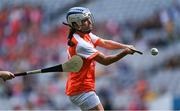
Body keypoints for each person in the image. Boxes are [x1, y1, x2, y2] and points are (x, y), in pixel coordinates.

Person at [64, 7, 137, 110]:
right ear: (75, 25)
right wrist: (124, 52)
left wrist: (124, 46)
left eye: (88, 18)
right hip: (81, 90)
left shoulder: (84, 34)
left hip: (81, 88)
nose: (89, 22)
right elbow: (105, 60)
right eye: (85, 21)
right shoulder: (81, 44)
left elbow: (104, 43)